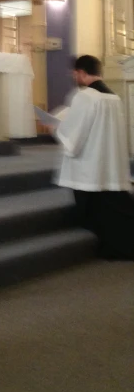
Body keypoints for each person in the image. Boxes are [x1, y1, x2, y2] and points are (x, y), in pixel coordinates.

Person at [55, 55, 134, 260]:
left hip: (89, 165)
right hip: (109, 162)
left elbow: (74, 133)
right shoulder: (113, 97)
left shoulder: (85, 96)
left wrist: (56, 127)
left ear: (81, 72)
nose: (75, 77)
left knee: (93, 208)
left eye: (75, 73)